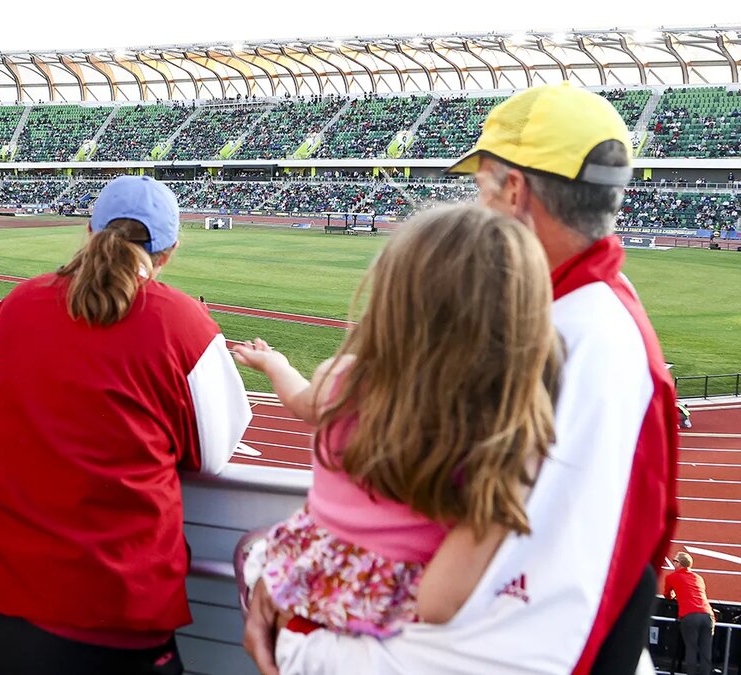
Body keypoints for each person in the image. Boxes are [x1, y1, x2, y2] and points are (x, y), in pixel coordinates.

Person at [248, 83, 679, 675]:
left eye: (480, 188)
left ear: (514, 189)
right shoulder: (566, 319)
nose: (476, 208)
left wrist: (303, 644)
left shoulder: (575, 343)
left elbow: (541, 627)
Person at [0, 176, 252, 675]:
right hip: (108, 609)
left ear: (89, 232)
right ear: (168, 252)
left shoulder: (18, 303)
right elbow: (213, 454)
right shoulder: (182, 322)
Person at [233, 205, 562, 638]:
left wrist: (275, 364)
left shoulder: (342, 379)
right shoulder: (497, 434)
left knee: (251, 553)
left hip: (303, 595)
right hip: (383, 629)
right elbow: (439, 603)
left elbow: (300, 402)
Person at [664, 552, 715, 675]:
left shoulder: (672, 577)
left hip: (689, 616)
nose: (673, 563)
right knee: (706, 653)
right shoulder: (698, 578)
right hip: (708, 615)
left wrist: (675, 595)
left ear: (679, 564)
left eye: (675, 561)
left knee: (691, 650)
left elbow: (667, 595)